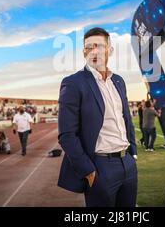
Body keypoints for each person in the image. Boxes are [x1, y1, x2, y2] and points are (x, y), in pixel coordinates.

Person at [57, 27, 138, 207]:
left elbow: (126, 119)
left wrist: (133, 154)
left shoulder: (118, 81)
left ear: (109, 50)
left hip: (128, 163)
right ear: (84, 52)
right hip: (100, 168)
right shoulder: (73, 83)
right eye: (89, 47)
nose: (94, 51)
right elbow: (66, 135)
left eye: (100, 46)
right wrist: (89, 171)